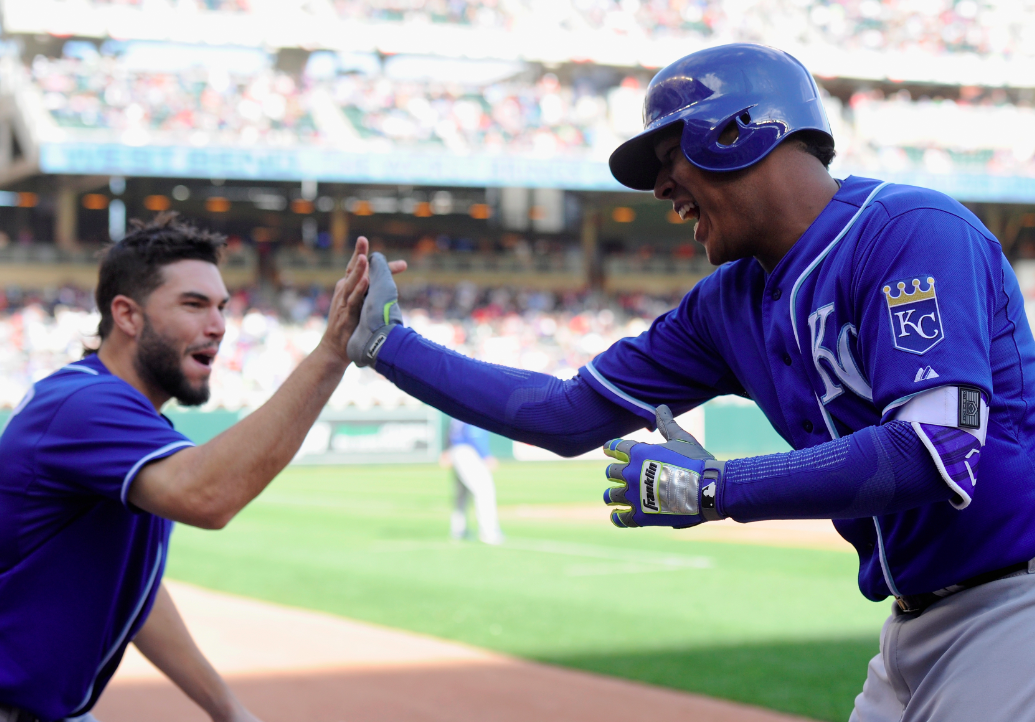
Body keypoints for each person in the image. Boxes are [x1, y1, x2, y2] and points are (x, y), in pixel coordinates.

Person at [345, 44, 1035, 720]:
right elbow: (564, 415)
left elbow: (933, 449)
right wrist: (387, 346)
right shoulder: (727, 304)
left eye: (669, 156)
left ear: (738, 132)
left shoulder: (909, 231)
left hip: (1013, 604)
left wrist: (716, 488)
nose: (659, 188)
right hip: (914, 626)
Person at [0, 214, 389, 722]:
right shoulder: (85, 405)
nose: (218, 325)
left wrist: (227, 709)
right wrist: (333, 351)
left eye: (222, 306)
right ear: (127, 315)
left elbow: (132, 587)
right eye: (193, 304)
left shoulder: (100, 404)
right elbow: (207, 495)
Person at [443, 419, 504, 545]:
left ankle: (458, 530)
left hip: (457, 449)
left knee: (462, 494)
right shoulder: (477, 408)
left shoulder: (459, 409)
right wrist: (485, 455)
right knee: (484, 491)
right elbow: (474, 434)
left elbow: (450, 431)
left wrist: (447, 450)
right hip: (469, 452)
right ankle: (489, 532)